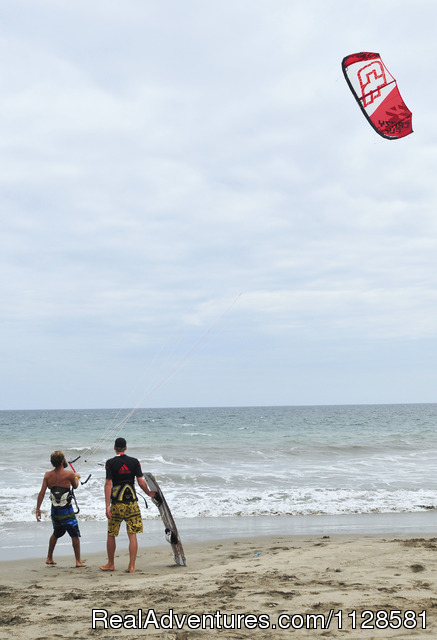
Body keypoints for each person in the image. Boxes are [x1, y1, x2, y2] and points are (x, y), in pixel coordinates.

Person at [100, 437, 155, 573]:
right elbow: (141, 482)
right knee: (132, 534)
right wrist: (148, 493)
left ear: (114, 448)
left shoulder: (110, 463)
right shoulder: (134, 462)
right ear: (125, 447)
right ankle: (131, 566)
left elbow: (108, 484)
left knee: (111, 533)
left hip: (117, 504)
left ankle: (111, 564)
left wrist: (107, 506)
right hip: (132, 504)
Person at [36, 450, 86, 567]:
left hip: (55, 510)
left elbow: (42, 493)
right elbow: (75, 486)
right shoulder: (69, 474)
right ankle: (78, 561)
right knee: (74, 534)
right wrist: (77, 477)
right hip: (66, 510)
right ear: (63, 461)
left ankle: (49, 557)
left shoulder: (48, 475)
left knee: (57, 532)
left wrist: (38, 509)